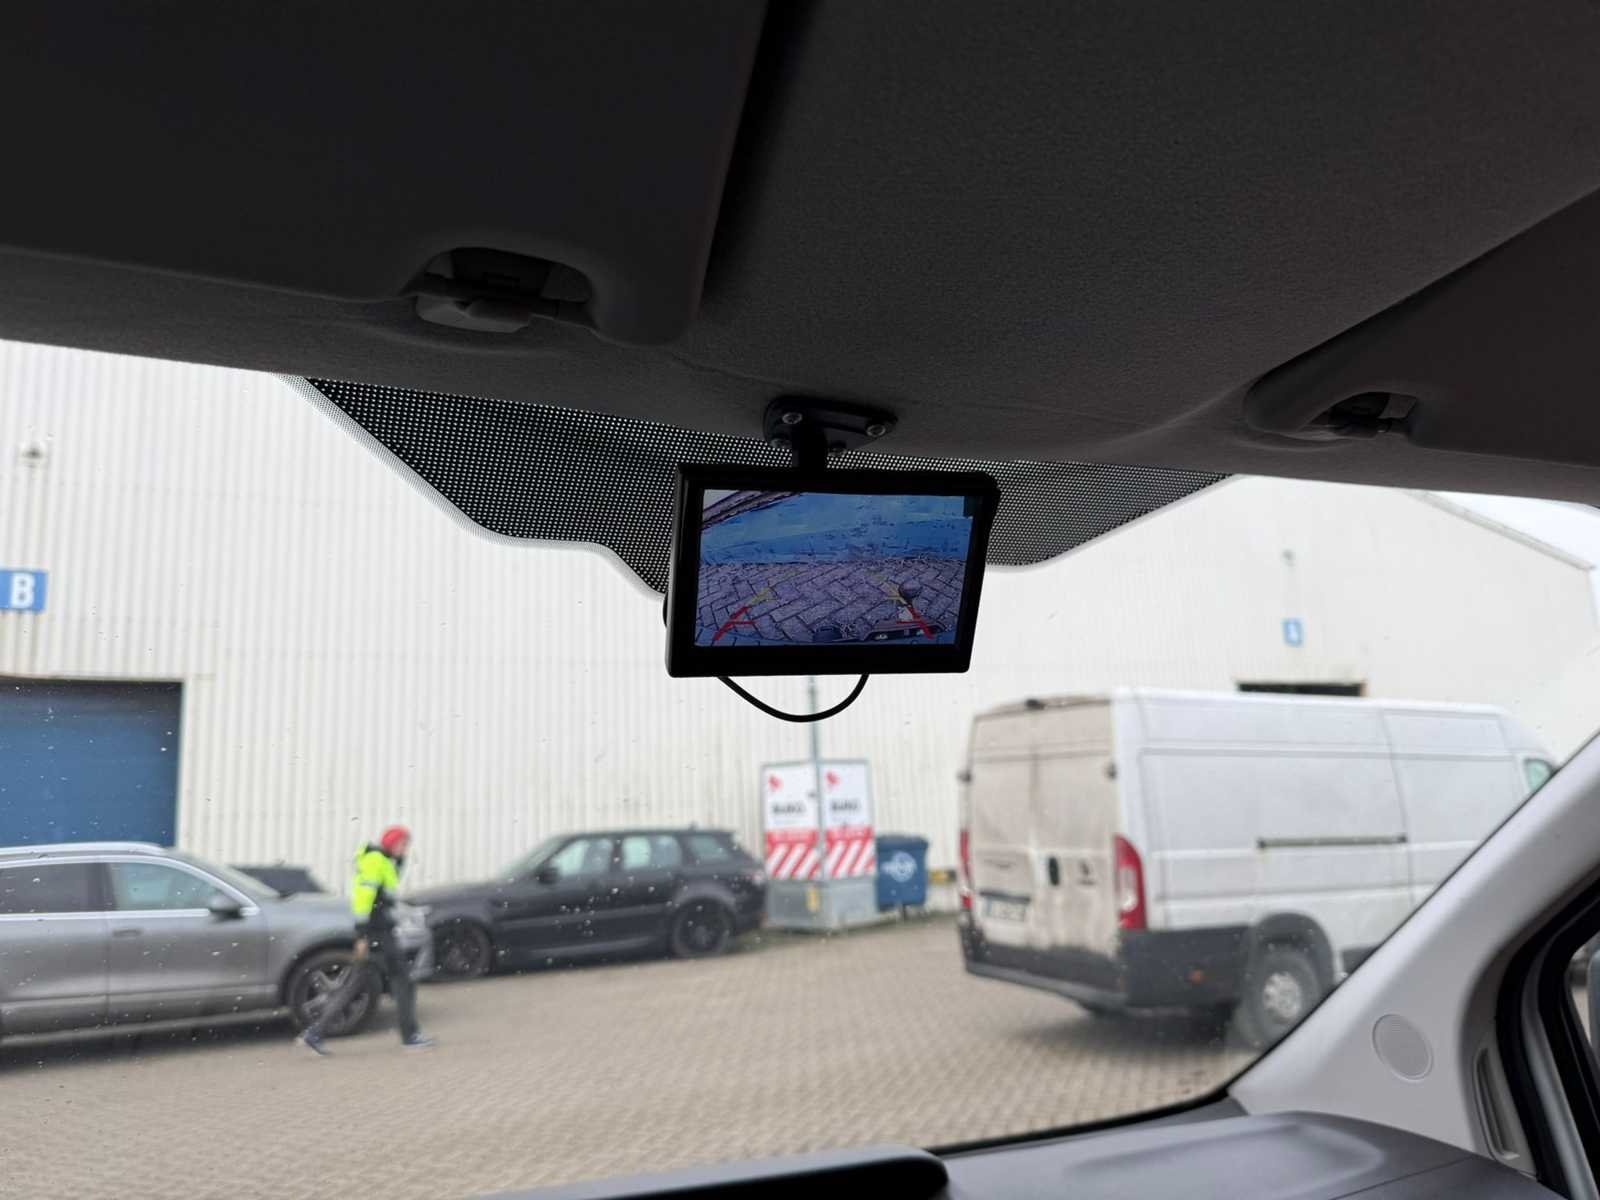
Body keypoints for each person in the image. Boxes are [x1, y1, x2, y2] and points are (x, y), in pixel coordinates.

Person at [298, 825, 433, 1054]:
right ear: (391, 843)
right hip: (377, 932)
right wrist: (362, 934)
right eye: (403, 844)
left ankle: (315, 1032)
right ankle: (410, 1036)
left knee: (356, 983)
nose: (406, 849)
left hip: (377, 931)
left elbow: (387, 888)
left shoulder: (383, 861)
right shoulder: (375, 861)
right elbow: (365, 896)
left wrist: (400, 862)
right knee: (403, 980)